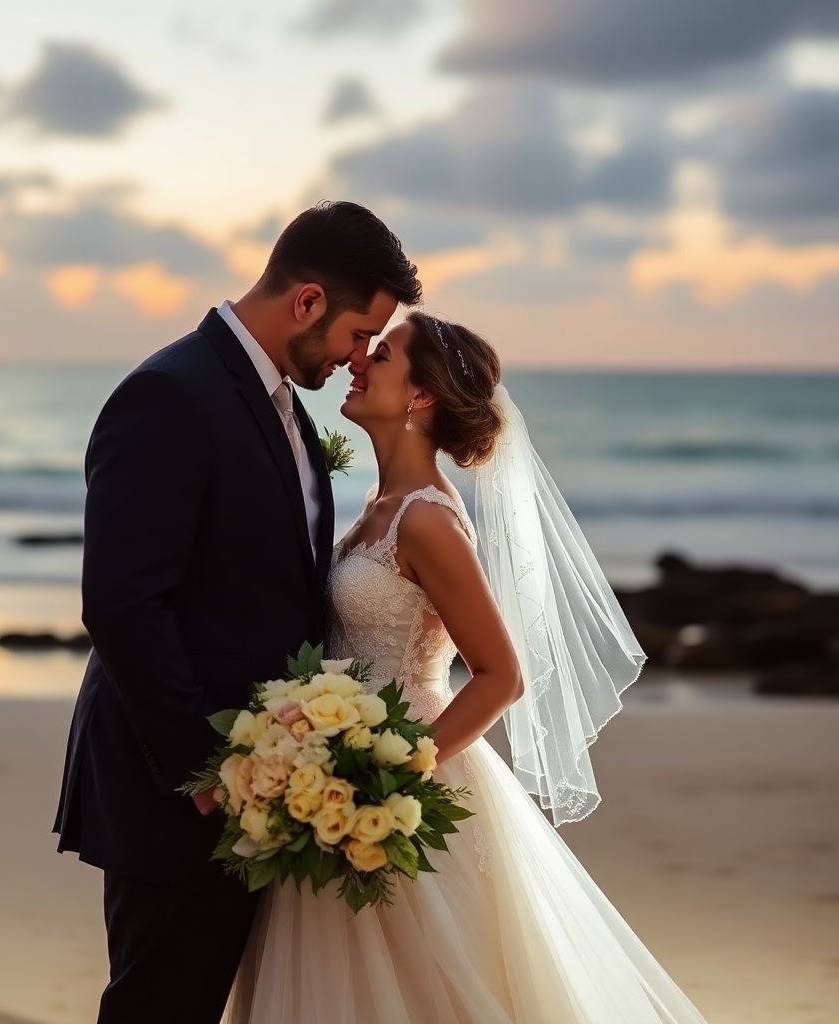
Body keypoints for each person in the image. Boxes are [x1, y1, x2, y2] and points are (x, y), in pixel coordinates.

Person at [224, 313, 710, 1023]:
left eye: (381, 354)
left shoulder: (428, 522)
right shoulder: (375, 509)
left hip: (401, 779)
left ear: (421, 397)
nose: (358, 360)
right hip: (336, 771)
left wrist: (395, 777)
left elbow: (500, 675)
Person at [52, 201, 422, 1024]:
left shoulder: (284, 404)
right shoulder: (170, 395)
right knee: (161, 1007)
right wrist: (202, 772)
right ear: (307, 303)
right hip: (181, 787)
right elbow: (121, 599)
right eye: (361, 334)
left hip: (262, 785)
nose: (361, 358)